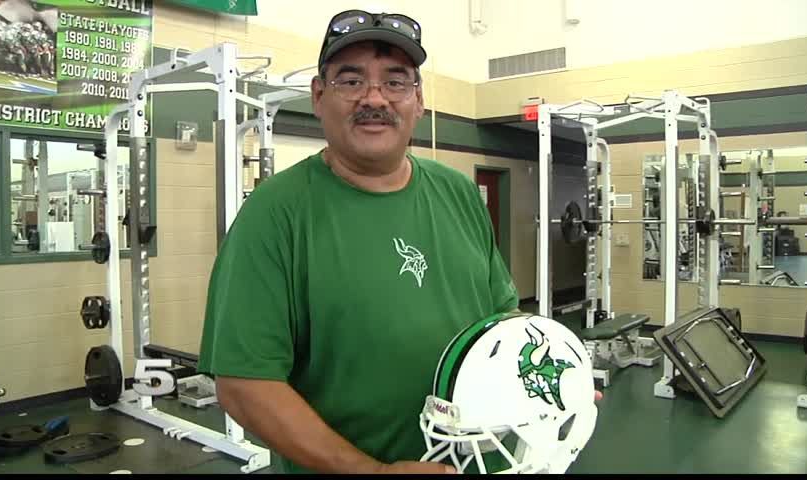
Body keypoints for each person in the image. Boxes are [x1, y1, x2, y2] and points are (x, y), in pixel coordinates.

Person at [197, 9, 596, 474]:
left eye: (395, 82)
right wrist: (372, 472)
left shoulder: (458, 192)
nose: (374, 98)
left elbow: (501, 320)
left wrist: (550, 379)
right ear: (319, 96)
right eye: (351, 81)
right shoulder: (274, 213)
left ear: (418, 100)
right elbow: (244, 384)